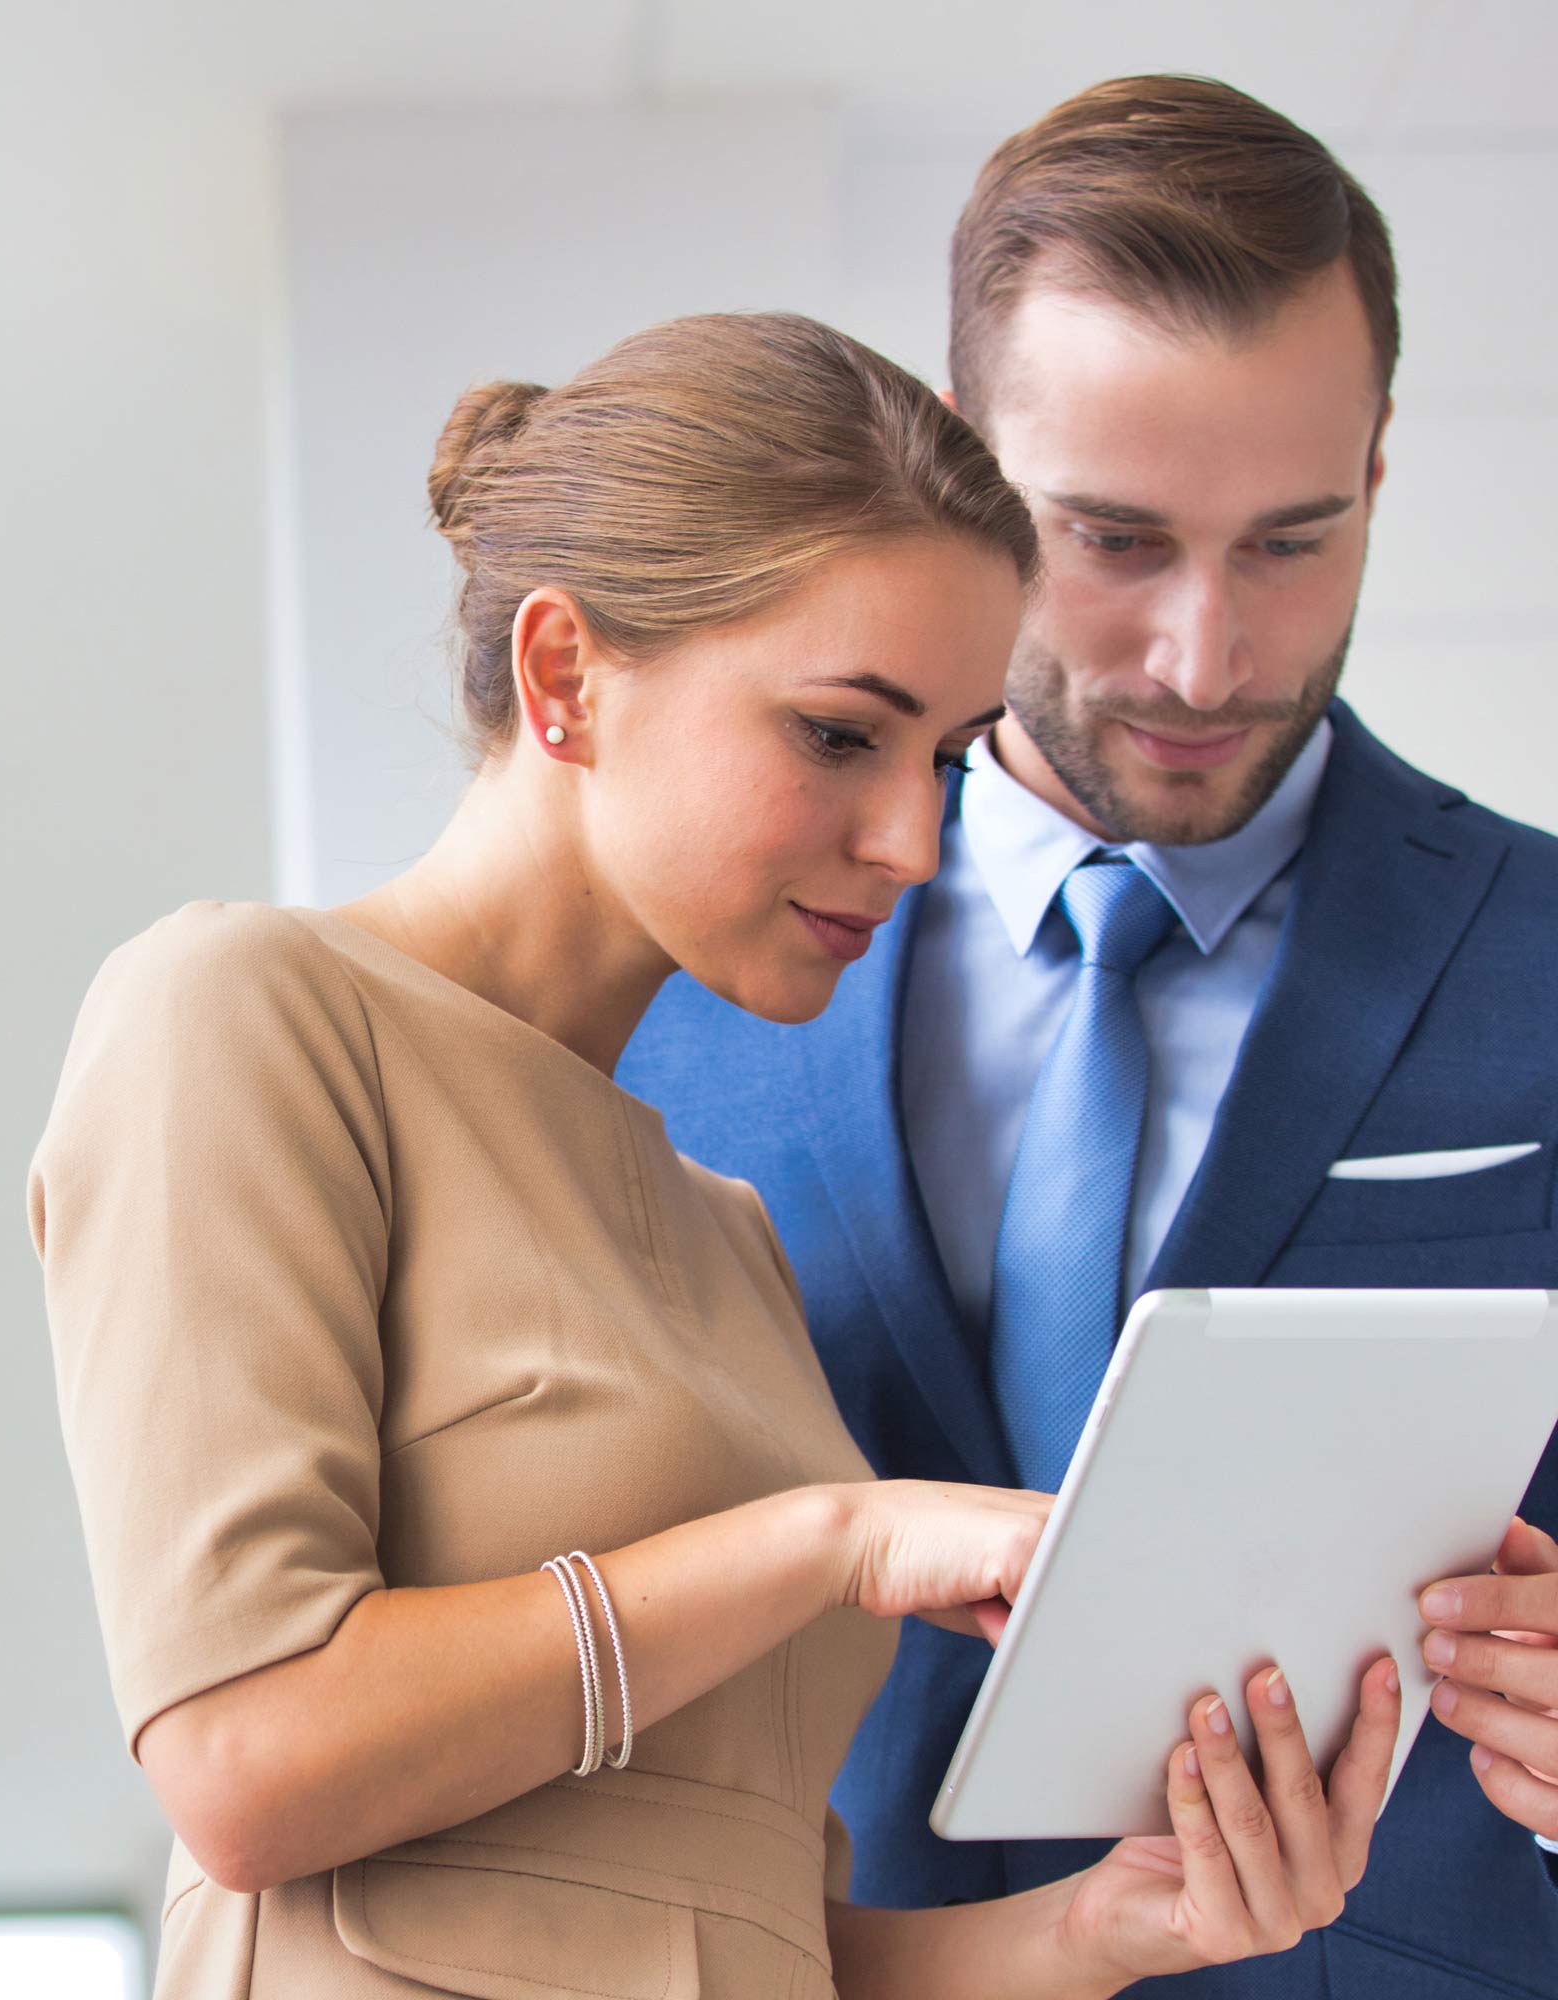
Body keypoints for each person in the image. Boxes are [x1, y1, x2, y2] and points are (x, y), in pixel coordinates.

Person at [30, 311, 1397, 2000]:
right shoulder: (247, 1012)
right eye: (840, 732)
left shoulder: (727, 1235)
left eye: (950, 758)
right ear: (563, 677)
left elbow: (727, 1931)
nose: (913, 841)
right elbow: (244, 1762)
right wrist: (828, 1544)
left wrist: (1108, 1929)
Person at [617, 77, 1558, 1999]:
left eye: (1292, 544)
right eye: (1114, 544)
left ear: (1379, 473)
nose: (1206, 662)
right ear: (967, 473)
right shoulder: (662, 994)